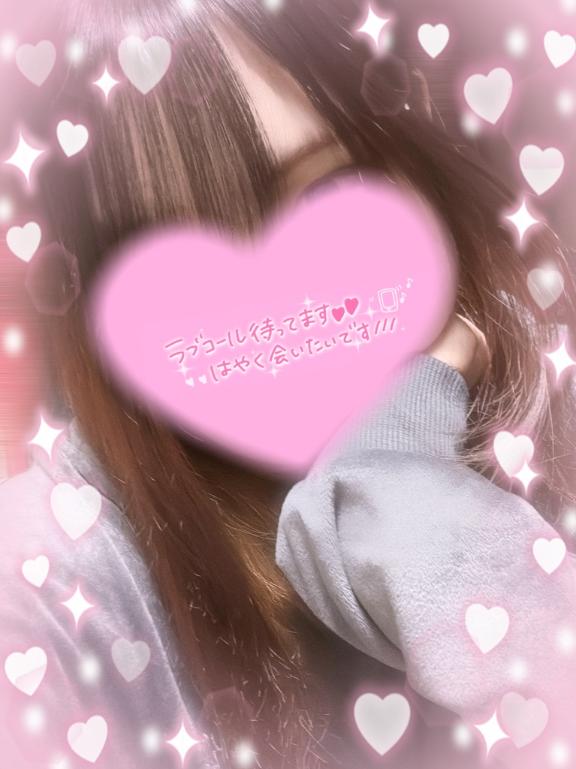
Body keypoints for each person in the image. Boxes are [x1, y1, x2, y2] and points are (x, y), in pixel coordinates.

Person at [1, 1, 575, 767]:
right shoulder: (46, 587)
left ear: (409, 141)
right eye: (176, 271)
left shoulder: (546, 392)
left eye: (323, 196)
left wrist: (399, 472)